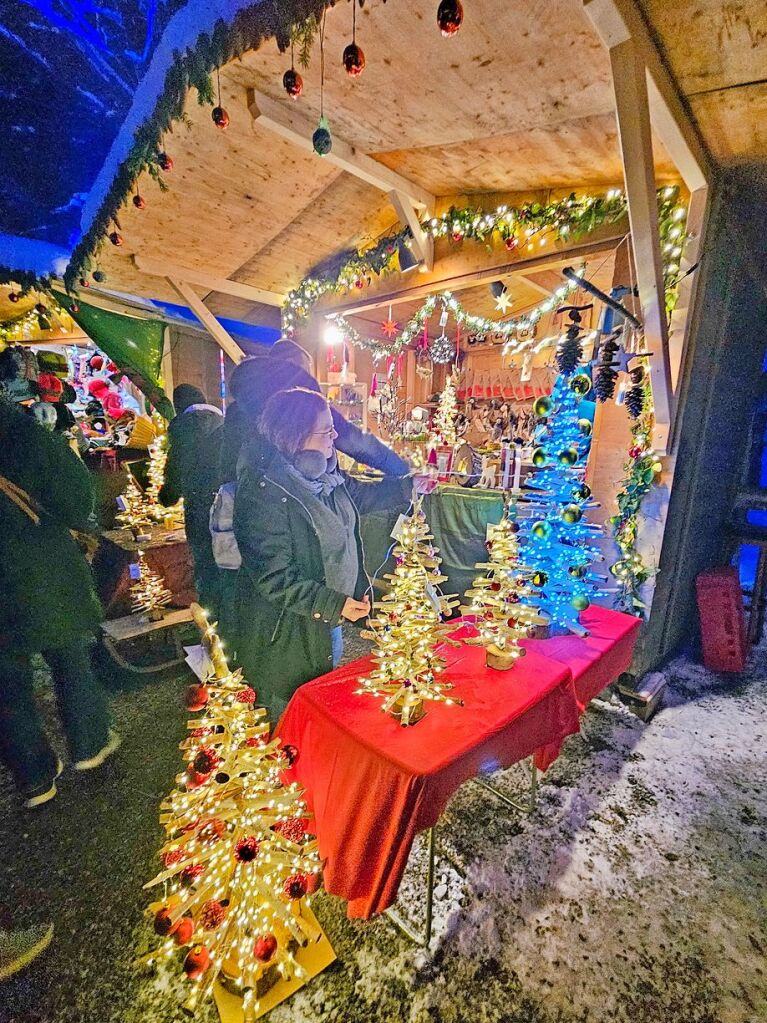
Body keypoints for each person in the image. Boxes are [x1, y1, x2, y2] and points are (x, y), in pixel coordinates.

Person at [233, 387, 421, 722]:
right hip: (286, 633)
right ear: (297, 435)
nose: (336, 436)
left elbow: (364, 497)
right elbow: (275, 577)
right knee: (291, 713)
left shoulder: (327, 477)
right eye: (326, 430)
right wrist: (335, 604)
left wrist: (408, 482)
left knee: (319, 697)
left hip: (324, 622)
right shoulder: (264, 494)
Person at [0, 397, 118, 808]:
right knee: (69, 658)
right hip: (39, 571)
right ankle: (89, 745)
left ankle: (33, 777)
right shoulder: (18, 433)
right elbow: (74, 495)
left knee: (6, 685)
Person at [218, 338, 409, 482]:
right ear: (294, 367)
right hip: (298, 501)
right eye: (306, 369)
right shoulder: (305, 405)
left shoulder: (238, 407)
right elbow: (356, 441)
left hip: (246, 502)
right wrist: (402, 469)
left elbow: (228, 465)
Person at [159, 385, 224, 615]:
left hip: (198, 504)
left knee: (204, 561)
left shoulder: (183, 428)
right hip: (225, 503)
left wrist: (168, 493)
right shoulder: (223, 423)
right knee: (225, 559)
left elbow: (178, 464)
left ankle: (211, 616)